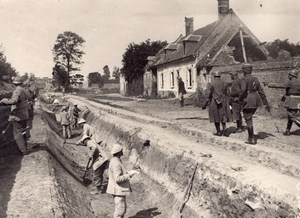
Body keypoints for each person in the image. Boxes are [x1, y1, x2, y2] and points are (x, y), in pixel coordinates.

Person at [240, 63, 270, 144]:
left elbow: (242, 91)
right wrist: (266, 103)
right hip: (256, 100)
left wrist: (239, 99)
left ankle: (251, 138)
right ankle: (251, 137)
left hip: (247, 99)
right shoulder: (255, 79)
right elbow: (261, 92)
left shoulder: (244, 79)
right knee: (249, 117)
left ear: (244, 71)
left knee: (248, 118)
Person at [106, 144, 139, 218]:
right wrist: (129, 175)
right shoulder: (116, 163)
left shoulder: (116, 160)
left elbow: (120, 172)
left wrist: (129, 172)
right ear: (119, 152)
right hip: (117, 190)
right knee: (120, 211)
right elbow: (117, 179)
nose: (122, 151)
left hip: (118, 190)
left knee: (121, 209)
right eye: (121, 150)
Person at [0, 76, 30, 155]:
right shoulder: (25, 90)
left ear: (14, 83)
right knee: (23, 131)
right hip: (24, 114)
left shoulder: (17, 91)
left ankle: (23, 151)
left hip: (17, 116)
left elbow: (14, 101)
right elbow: (29, 97)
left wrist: (5, 100)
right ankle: (25, 147)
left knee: (17, 134)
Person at [268, 70, 300, 135]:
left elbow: (281, 85)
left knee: (291, 116)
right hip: (298, 100)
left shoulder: (290, 82)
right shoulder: (299, 82)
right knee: (290, 116)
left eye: (289, 75)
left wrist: (269, 84)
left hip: (292, 101)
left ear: (292, 75)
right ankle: (287, 131)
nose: (288, 76)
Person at [202, 72, 232, 136]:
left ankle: (218, 131)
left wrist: (205, 103)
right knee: (223, 115)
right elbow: (228, 93)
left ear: (214, 76)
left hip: (214, 101)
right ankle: (224, 130)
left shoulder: (211, 84)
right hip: (223, 101)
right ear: (219, 76)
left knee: (216, 116)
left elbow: (209, 94)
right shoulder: (224, 83)